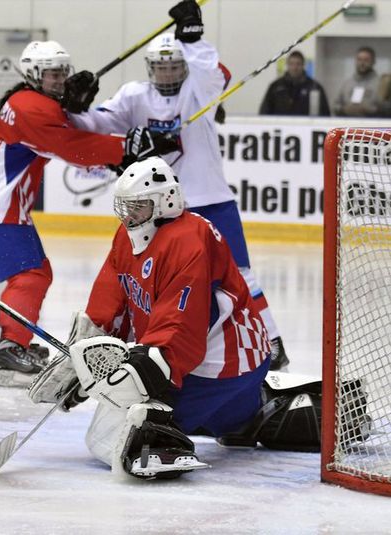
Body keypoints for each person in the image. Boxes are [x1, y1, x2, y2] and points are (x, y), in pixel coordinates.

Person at [29, 157, 327, 480]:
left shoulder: (188, 240)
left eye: (138, 207)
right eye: (125, 207)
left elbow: (180, 328)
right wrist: (84, 353)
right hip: (205, 360)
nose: (129, 217)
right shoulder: (129, 236)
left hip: (224, 361)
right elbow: (112, 292)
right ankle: (261, 410)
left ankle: (169, 435)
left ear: (165, 202)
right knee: (219, 421)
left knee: (112, 438)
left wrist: (142, 371)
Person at [67, 0, 289, 371]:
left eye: (175, 65)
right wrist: (73, 106)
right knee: (150, 280)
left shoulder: (198, 93)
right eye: (161, 66)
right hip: (158, 210)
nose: (168, 73)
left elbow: (212, 74)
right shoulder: (135, 95)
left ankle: (272, 340)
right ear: (150, 68)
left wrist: (193, 38)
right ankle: (150, 348)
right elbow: (96, 125)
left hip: (210, 200)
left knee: (241, 275)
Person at [0, 40, 178, 387]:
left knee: (34, 273)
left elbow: (64, 132)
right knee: (30, 275)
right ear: (33, 75)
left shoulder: (28, 99)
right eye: (51, 74)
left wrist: (71, 107)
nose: (59, 80)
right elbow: (69, 145)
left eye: (62, 73)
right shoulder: (29, 106)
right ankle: (11, 350)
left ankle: (12, 341)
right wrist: (128, 147)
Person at [259, 50, 330, 116]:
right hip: (280, 128)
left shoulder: (314, 87)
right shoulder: (275, 87)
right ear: (287, 65)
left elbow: (325, 114)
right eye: (291, 64)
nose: (294, 67)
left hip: (306, 128)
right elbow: (264, 112)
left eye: (298, 64)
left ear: (303, 65)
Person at [334, 46, 381, 117]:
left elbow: (388, 109)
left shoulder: (381, 84)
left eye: (366, 60)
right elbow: (335, 106)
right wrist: (344, 110)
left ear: (373, 61)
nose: (362, 63)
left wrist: (370, 110)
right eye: (359, 59)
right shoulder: (347, 84)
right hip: (348, 125)